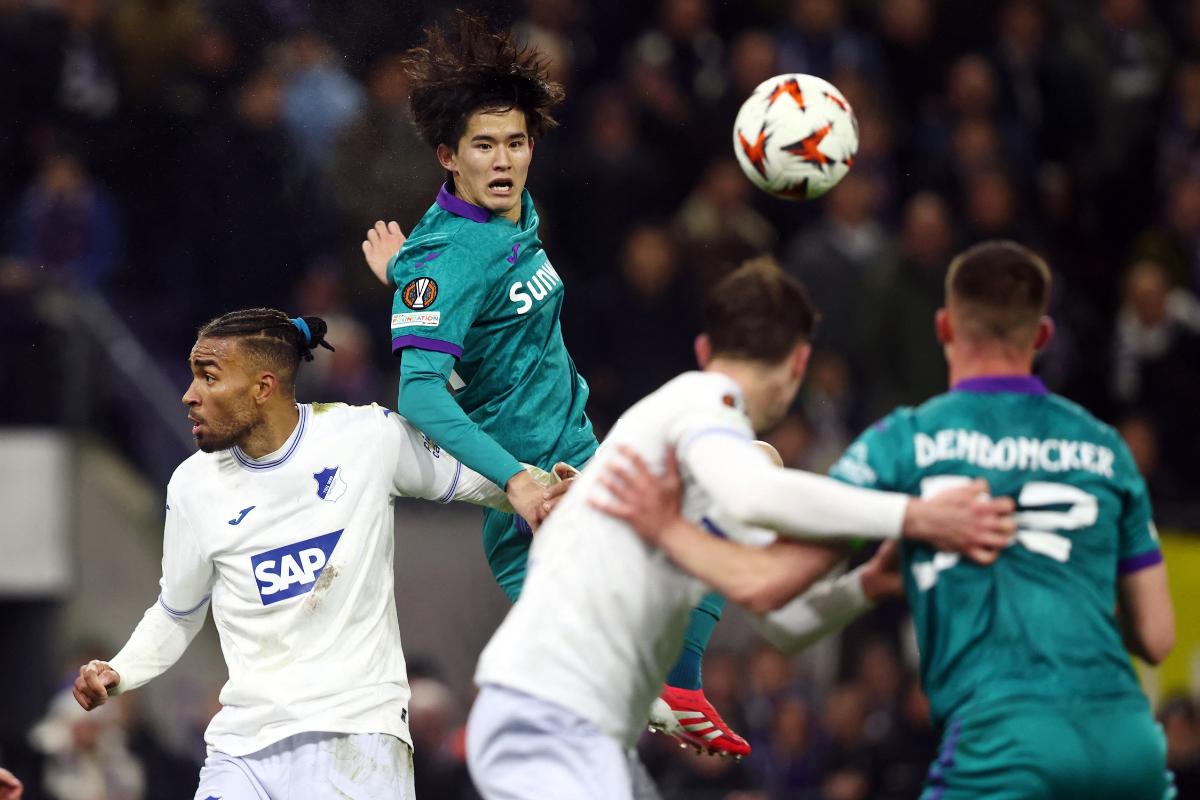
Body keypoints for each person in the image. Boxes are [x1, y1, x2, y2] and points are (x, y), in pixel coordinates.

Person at [608, 243, 1177, 800]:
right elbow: (1155, 637)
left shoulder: (906, 442)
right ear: (1044, 337)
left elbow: (772, 598)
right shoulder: (1107, 449)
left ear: (945, 329)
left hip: (1006, 749)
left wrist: (674, 534)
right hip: (1126, 748)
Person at [465, 260, 1015, 800]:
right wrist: (912, 514)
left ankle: (679, 682)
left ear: (706, 348)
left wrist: (868, 584)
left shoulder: (695, 464)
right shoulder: (698, 403)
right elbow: (758, 493)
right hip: (546, 715)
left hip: (576, 720)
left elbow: (781, 615)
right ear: (799, 364)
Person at [358, 11, 745, 757]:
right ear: (448, 155)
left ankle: (675, 688)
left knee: (735, 477)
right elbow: (421, 394)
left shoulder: (510, 216)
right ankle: (655, 694)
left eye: (515, 141)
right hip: (540, 505)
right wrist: (521, 482)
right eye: (483, 146)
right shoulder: (450, 256)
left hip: (583, 460)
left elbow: (470, 307)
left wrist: (405, 278)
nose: (504, 160)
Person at [71, 308, 534, 800]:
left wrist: (546, 489)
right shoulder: (192, 486)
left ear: (263, 387)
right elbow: (177, 612)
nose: (189, 395)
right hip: (242, 746)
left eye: (208, 377)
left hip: (355, 736)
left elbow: (481, 479)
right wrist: (121, 671)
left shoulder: (364, 437)